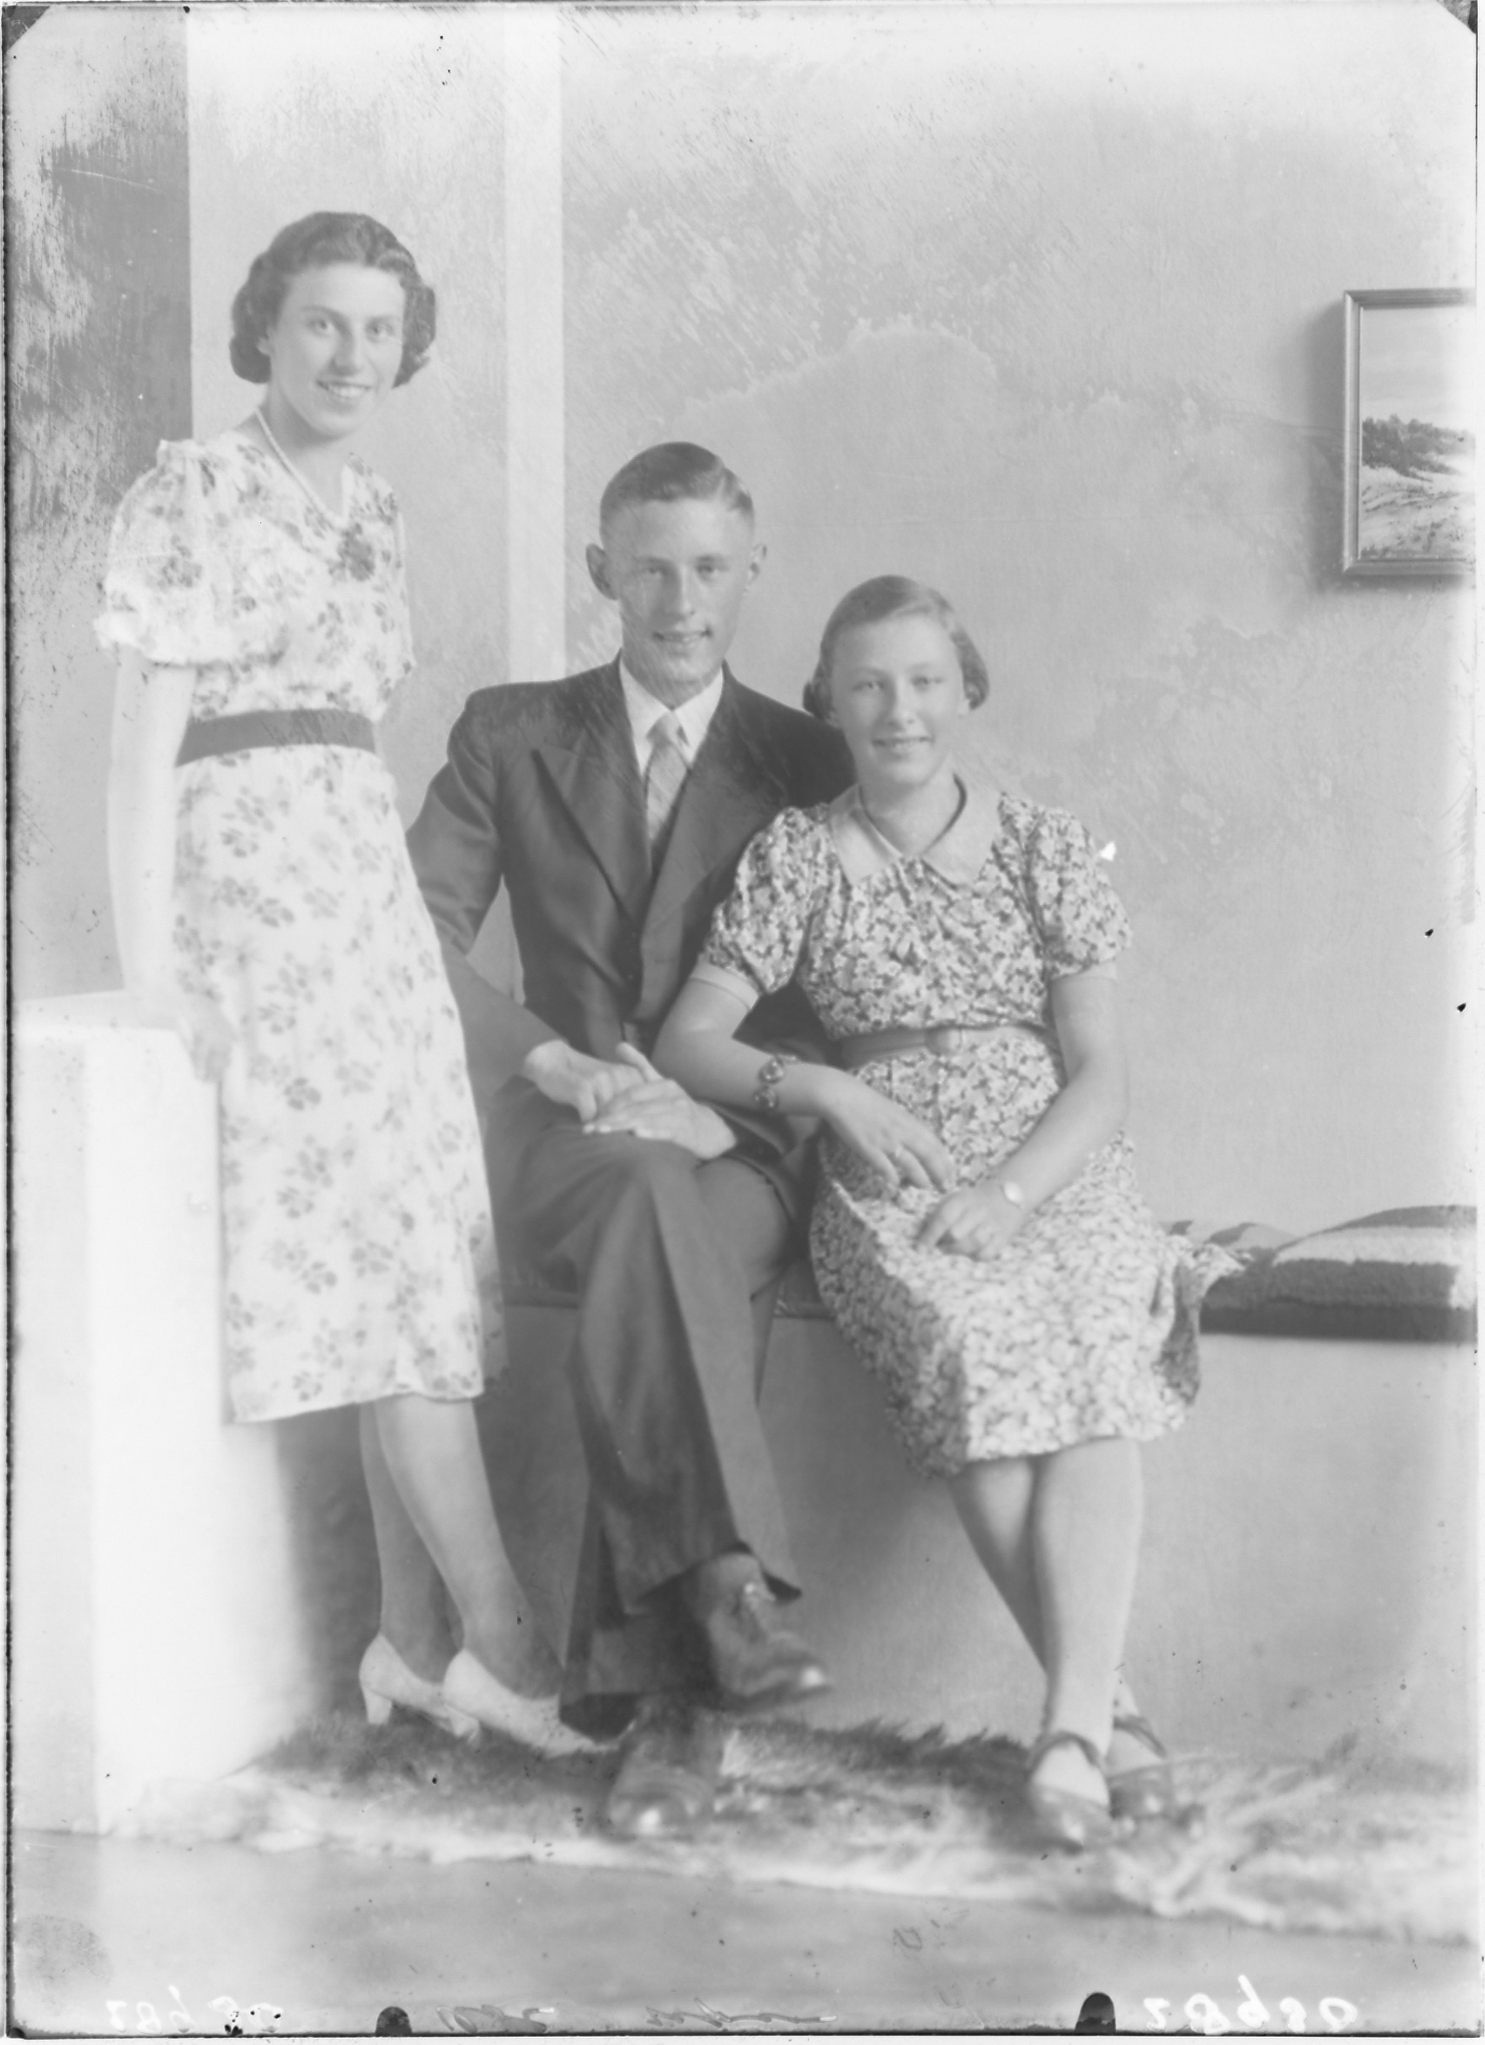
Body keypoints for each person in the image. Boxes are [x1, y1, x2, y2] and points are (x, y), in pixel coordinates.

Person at [96, 210, 584, 1756]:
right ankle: (506, 1647)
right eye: (323, 323)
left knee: (417, 1277)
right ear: (269, 327)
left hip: (366, 910)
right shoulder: (193, 490)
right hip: (255, 908)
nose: (350, 355)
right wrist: (153, 974)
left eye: (378, 331)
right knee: (387, 1285)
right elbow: (140, 750)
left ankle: (413, 1644)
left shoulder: (371, 508)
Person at [655, 574, 1235, 1850]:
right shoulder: (798, 855)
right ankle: (1111, 1723)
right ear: (830, 701)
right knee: (971, 1347)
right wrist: (819, 1086)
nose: (897, 709)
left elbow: (1103, 1074)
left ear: (965, 688)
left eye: (923, 680)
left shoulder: (1044, 847)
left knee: (1095, 1345)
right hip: (892, 1168)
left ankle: (1074, 1727)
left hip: (1054, 1160)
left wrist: (1015, 1190)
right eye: (866, 684)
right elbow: (689, 1038)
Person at [406, 442, 852, 1837]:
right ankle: (710, 1637)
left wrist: (726, 1104)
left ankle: (673, 1673)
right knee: (653, 1207)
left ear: (752, 570)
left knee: (676, 1215)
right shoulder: (511, 732)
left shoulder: (808, 759)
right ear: (602, 572)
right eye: (650, 569)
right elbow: (405, 937)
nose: (680, 601)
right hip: (567, 1136)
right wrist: (546, 1054)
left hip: (737, 1146)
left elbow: (852, 991)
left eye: (709, 568)